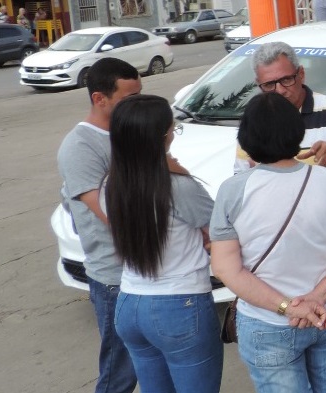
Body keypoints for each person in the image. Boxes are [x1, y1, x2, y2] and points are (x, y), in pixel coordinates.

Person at [235, 41, 326, 392]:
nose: (279, 91)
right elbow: (241, 182)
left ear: (300, 74)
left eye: (285, 80)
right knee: (307, 342)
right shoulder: (255, 121)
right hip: (279, 256)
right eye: (268, 85)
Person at [107, 95, 223, 393]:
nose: (174, 132)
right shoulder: (180, 187)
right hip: (178, 306)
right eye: (173, 128)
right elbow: (221, 235)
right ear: (162, 137)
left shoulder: (112, 184)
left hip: (129, 304)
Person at [57, 58, 141, 393]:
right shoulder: (80, 147)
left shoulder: (126, 133)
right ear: (99, 99)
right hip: (114, 278)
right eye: (128, 98)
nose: (136, 106)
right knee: (121, 372)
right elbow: (115, 214)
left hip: (145, 270)